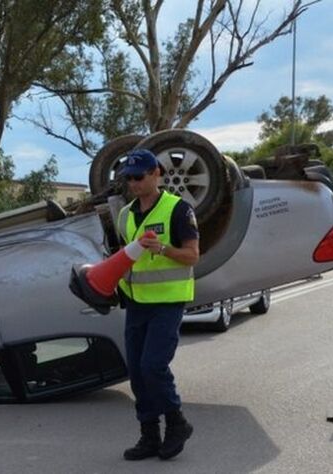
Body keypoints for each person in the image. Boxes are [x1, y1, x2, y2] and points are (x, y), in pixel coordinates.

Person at [115, 149, 200, 461]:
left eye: (139, 176)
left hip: (168, 301)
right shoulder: (124, 215)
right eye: (129, 178)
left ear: (157, 174)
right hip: (136, 302)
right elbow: (124, 258)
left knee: (153, 366)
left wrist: (163, 248)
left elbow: (192, 255)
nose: (134, 183)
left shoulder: (179, 210)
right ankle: (149, 436)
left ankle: (177, 423)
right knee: (136, 372)